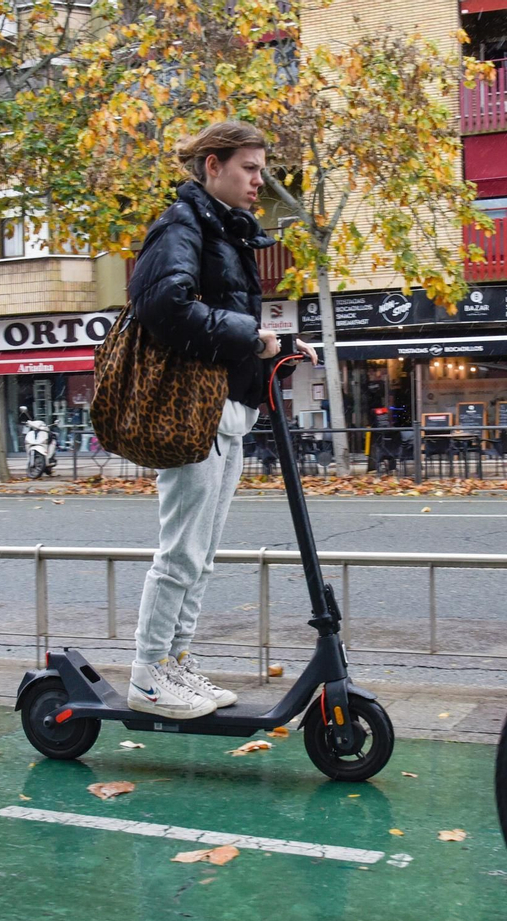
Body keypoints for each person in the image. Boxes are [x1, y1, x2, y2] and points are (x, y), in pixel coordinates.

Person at [124, 121, 319, 720]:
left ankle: (175, 664)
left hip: (227, 410)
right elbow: (162, 305)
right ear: (212, 166)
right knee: (181, 550)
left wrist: (277, 346)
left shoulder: (224, 231)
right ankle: (148, 674)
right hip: (193, 412)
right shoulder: (181, 226)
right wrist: (252, 338)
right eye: (250, 168)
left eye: (261, 169)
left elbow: (225, 324)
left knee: (202, 553)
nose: (261, 180)